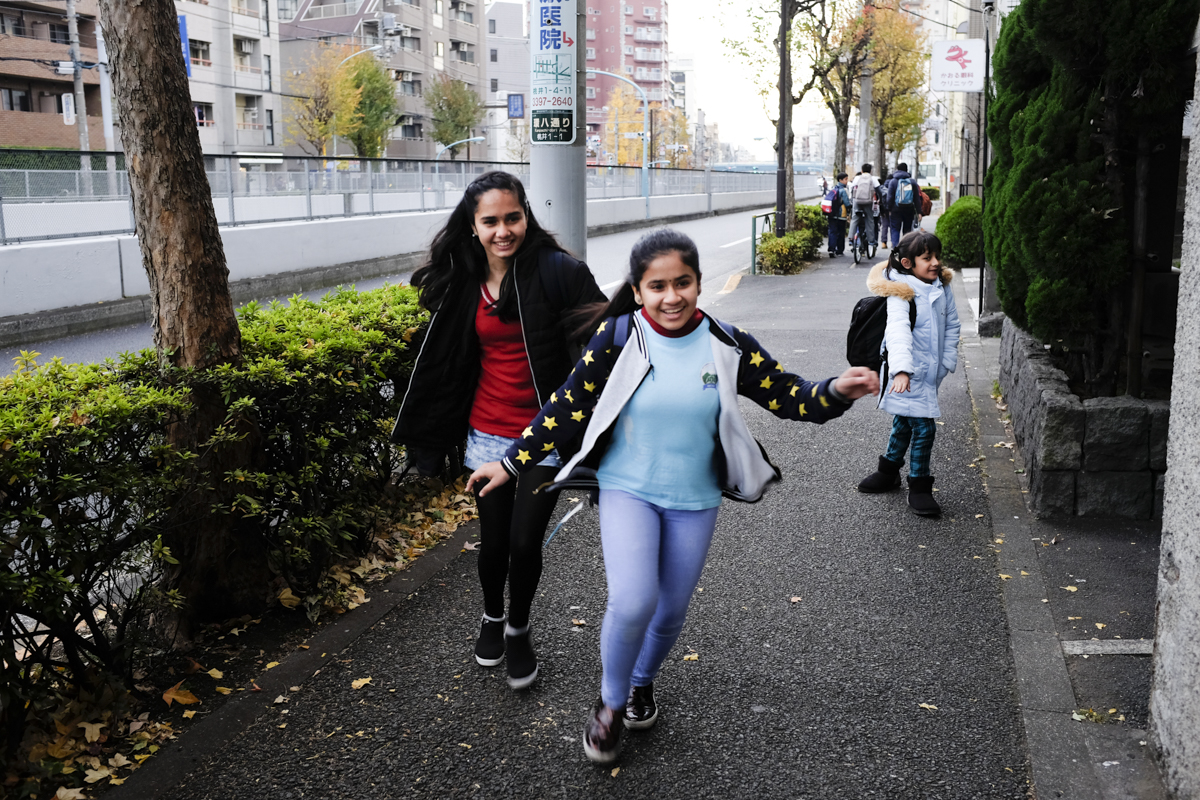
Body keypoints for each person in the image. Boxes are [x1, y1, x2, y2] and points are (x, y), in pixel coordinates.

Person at [467, 229, 880, 763]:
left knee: (669, 612)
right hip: (627, 489)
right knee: (634, 599)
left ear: (699, 284)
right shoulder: (618, 337)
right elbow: (566, 405)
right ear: (637, 291)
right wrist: (509, 462)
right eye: (656, 286)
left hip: (695, 497)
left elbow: (788, 394)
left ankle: (641, 683)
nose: (671, 297)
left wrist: (835, 391)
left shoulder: (727, 343)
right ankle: (611, 705)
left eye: (682, 283)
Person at [391, 170, 606, 689]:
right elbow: (443, 357)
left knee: (525, 542)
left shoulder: (559, 272)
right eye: (491, 221)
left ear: (526, 216)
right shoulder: (460, 280)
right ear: (473, 225)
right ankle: (491, 614)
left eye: (513, 218)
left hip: (545, 435)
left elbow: (603, 337)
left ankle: (517, 627)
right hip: (486, 434)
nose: (503, 230)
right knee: (492, 544)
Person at [856, 230, 961, 517]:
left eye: (937, 256)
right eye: (927, 258)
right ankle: (920, 487)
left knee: (905, 420)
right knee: (924, 428)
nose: (935, 263)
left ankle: (888, 471)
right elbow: (898, 333)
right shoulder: (900, 292)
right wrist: (901, 371)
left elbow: (952, 324)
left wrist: (946, 361)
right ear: (906, 263)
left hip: (931, 372)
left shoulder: (941, 286)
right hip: (907, 373)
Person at [886, 163, 921, 247]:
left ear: (897, 169)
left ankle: (895, 249)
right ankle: (906, 248)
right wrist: (919, 212)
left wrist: (889, 209)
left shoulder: (893, 181)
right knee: (907, 229)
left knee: (895, 229)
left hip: (895, 209)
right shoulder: (912, 182)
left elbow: (890, 197)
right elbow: (917, 198)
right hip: (909, 209)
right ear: (906, 170)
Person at [847, 163, 879, 253]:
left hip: (857, 201)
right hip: (868, 202)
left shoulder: (857, 178)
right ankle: (871, 241)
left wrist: (852, 200)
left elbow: (852, 189)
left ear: (861, 170)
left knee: (854, 218)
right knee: (870, 220)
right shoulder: (873, 179)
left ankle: (851, 238)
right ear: (871, 171)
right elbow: (879, 190)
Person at [826, 172, 851, 256]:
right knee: (841, 232)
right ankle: (839, 250)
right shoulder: (843, 190)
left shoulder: (833, 188)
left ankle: (831, 249)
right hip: (841, 215)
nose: (847, 181)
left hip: (831, 214)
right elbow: (847, 203)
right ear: (841, 180)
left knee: (832, 232)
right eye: (845, 179)